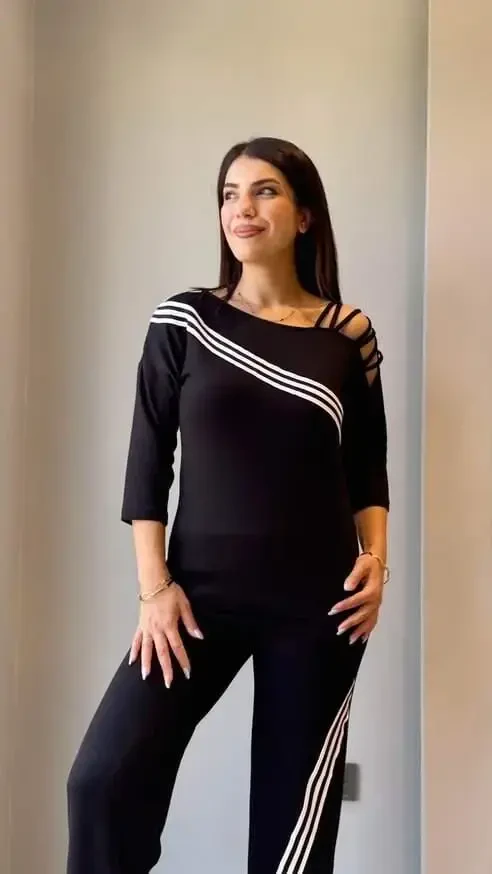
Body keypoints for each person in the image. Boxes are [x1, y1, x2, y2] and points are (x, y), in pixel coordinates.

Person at [66, 136, 390, 874]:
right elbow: (147, 463)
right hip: (195, 598)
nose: (242, 208)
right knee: (102, 783)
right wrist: (155, 589)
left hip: (320, 605)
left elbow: (367, 467)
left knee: (291, 837)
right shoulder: (184, 320)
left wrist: (378, 561)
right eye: (229, 194)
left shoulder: (348, 335)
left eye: (264, 191)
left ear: (304, 215)